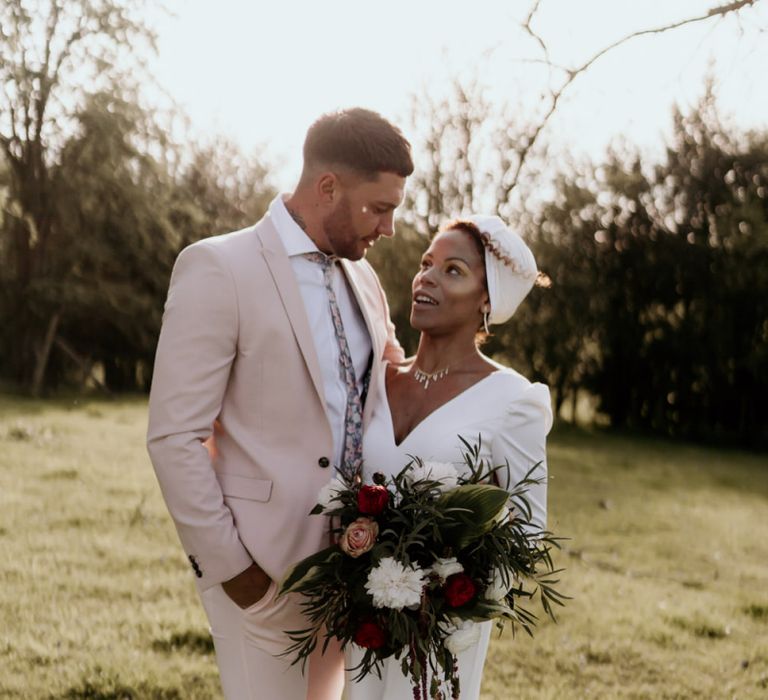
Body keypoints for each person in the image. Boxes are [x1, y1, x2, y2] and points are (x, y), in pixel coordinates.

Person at [147, 108, 413, 700]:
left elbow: (388, 388)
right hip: (263, 571)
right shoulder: (220, 267)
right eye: (379, 208)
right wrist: (236, 573)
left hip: (354, 567)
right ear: (327, 187)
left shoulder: (365, 279)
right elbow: (173, 435)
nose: (389, 228)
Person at [344, 215, 553, 700]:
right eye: (426, 263)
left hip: (439, 636)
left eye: (452, 270)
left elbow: (529, 531)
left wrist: (444, 589)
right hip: (362, 620)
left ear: (487, 299)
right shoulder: (376, 379)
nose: (427, 278)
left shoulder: (512, 400)